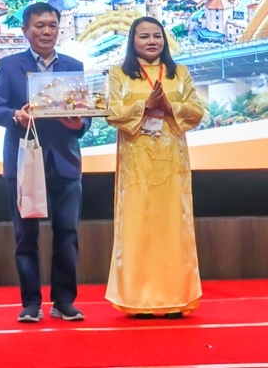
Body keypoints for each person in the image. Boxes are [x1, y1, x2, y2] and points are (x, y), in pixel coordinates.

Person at [0, 2, 91, 323]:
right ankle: (31, 303)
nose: (46, 32)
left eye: (52, 26)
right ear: (25, 31)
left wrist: (79, 125)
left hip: (65, 162)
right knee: (26, 236)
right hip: (23, 162)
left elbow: (83, 117)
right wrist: (15, 116)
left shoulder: (73, 66)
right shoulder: (9, 66)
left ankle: (64, 301)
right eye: (39, 26)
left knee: (67, 234)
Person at [104, 16, 205, 318]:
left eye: (157, 36)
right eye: (144, 36)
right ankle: (138, 300)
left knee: (174, 227)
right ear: (132, 41)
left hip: (172, 163)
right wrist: (145, 106)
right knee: (138, 228)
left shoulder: (180, 73)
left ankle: (175, 298)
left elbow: (197, 110)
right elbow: (111, 110)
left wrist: (171, 107)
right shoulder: (119, 74)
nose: (151, 41)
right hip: (136, 165)